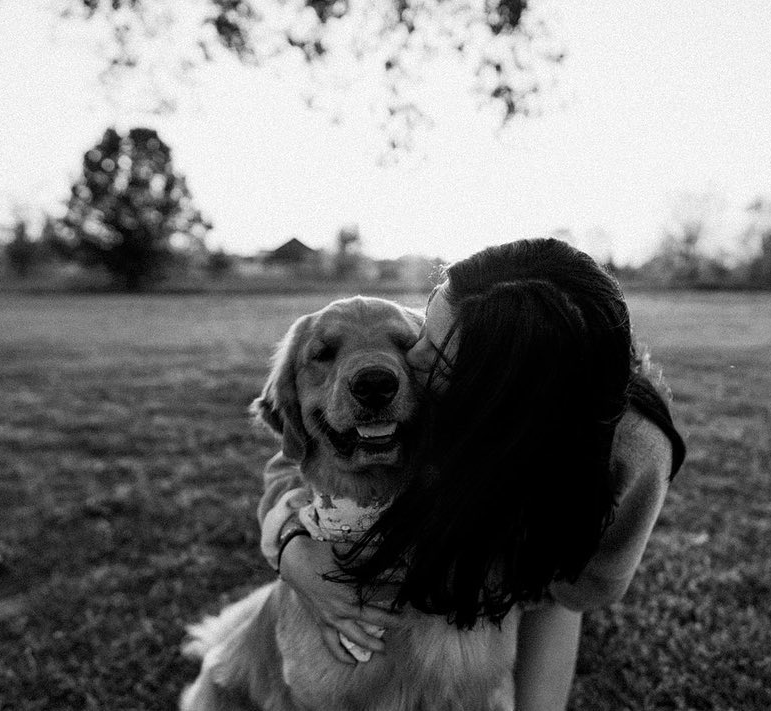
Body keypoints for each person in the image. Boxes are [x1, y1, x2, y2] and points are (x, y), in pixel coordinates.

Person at [257, 238, 685, 709]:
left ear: (493, 387)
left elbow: (570, 589)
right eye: (424, 327)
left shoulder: (633, 451)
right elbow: (294, 455)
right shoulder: (436, 385)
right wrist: (291, 550)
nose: (406, 364)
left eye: (429, 349)